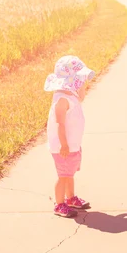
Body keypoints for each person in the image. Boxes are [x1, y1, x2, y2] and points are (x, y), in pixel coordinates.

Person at [44, 55, 95, 218]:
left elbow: (81, 97)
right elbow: (60, 124)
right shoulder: (61, 99)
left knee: (69, 173)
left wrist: (82, 84)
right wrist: (64, 144)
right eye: (78, 79)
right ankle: (59, 204)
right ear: (70, 79)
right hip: (63, 146)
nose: (80, 82)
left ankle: (71, 198)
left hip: (72, 144)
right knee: (63, 175)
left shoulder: (71, 93)